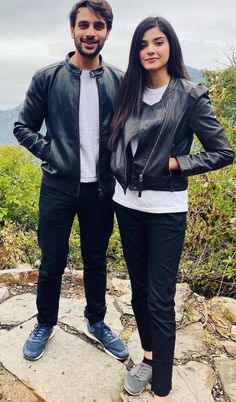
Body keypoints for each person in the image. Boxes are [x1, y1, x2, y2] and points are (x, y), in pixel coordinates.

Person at [109, 16, 235, 401]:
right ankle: (148, 357)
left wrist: (176, 163)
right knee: (138, 290)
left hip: (166, 209)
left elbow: (223, 152)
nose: (150, 49)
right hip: (126, 203)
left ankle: (162, 382)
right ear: (136, 51)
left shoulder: (189, 94)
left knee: (160, 296)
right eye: (143, 44)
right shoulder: (128, 93)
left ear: (170, 47)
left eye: (158, 42)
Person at [13, 0, 128, 362]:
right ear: (72, 30)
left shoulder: (118, 80)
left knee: (96, 260)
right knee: (52, 260)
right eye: (83, 25)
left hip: (101, 191)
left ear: (107, 31)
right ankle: (45, 323)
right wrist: (52, 153)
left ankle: (97, 320)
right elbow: (22, 127)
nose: (90, 32)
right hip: (58, 189)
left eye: (98, 26)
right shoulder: (48, 78)